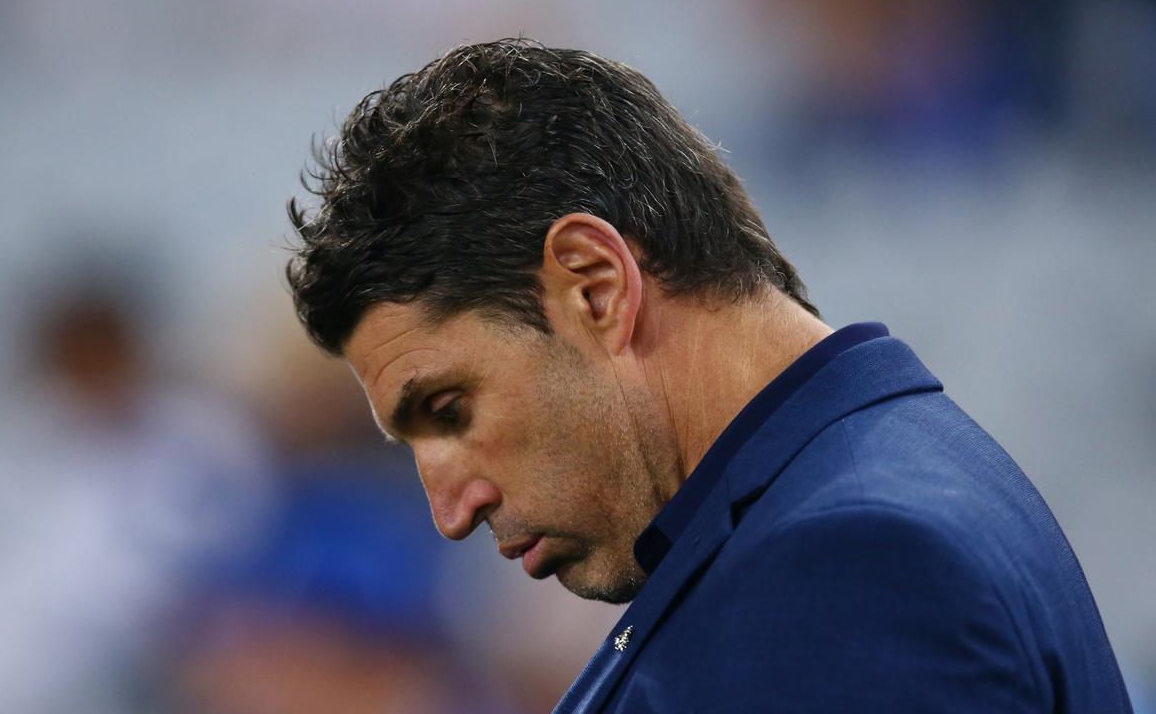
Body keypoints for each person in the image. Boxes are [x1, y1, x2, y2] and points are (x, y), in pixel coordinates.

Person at [283, 39, 1133, 713]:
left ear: (595, 285)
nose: (447, 510)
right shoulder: (832, 510)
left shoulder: (850, 565)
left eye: (450, 407)